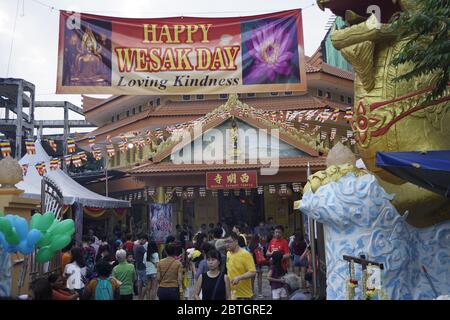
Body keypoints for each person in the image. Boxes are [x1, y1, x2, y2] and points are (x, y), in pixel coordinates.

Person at [225, 232, 256, 300]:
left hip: (244, 295)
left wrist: (239, 278)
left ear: (236, 242)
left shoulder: (245, 254)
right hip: (232, 294)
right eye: (225, 242)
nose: (227, 244)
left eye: (229, 242)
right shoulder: (228, 253)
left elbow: (253, 272)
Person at [248, 234, 265, 299]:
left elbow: (249, 255)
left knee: (252, 279)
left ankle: (252, 291)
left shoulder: (250, 246)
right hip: (259, 263)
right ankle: (260, 293)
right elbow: (262, 254)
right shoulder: (259, 245)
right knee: (259, 278)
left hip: (252, 264)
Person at [133, 234, 148, 300]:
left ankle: (139, 298)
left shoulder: (135, 246)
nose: (145, 241)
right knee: (146, 284)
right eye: (144, 240)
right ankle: (142, 298)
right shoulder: (141, 247)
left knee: (140, 284)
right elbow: (147, 253)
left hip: (138, 267)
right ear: (141, 239)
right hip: (143, 267)